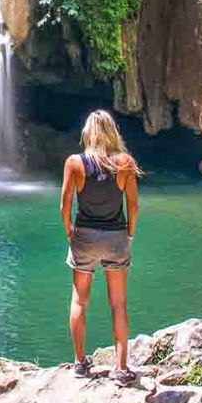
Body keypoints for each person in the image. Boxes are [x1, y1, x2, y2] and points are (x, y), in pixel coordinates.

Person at [59, 109, 143, 386]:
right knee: (118, 304)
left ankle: (80, 363)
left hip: (84, 237)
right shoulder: (125, 163)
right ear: (112, 133)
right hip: (116, 237)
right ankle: (120, 369)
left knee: (79, 300)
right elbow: (132, 205)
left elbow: (65, 205)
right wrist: (129, 234)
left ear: (88, 133)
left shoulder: (74, 163)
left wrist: (70, 232)